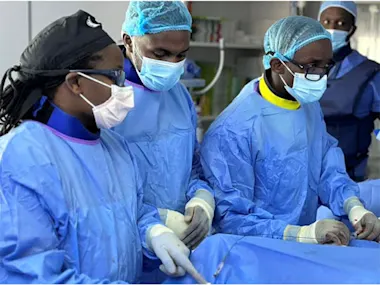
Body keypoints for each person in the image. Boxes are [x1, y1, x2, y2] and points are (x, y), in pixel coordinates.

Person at [0, 10, 203, 283]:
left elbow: (134, 213)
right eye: (115, 77)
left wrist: (154, 233)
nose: (125, 88)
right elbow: (30, 273)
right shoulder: (22, 160)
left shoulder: (113, 146)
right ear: (75, 82)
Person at [200, 16, 380, 245]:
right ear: (277, 64)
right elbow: (232, 217)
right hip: (254, 253)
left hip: (304, 248)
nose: (322, 76)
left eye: (327, 66)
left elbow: (326, 163)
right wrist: (299, 234)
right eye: (312, 66)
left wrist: (353, 207)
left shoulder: (305, 103)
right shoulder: (234, 129)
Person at [115, 1, 214, 250]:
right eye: (160, 54)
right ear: (129, 41)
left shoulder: (180, 96)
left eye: (181, 55)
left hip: (183, 240)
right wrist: (159, 222)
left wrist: (201, 199)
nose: (171, 64)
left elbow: (190, 165)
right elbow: (99, 189)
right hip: (125, 242)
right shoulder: (106, 100)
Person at [318, 1, 380, 182]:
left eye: (341, 23)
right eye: (326, 22)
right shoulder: (300, 68)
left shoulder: (370, 73)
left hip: (348, 175)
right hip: (302, 173)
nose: (332, 28)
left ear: (352, 29)